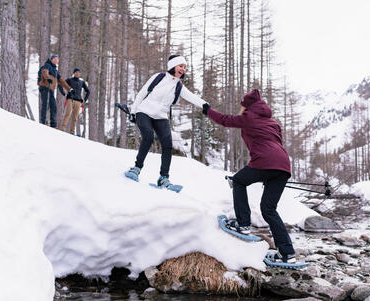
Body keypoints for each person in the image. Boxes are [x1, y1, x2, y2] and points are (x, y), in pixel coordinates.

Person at [202, 89, 296, 264]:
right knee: (269, 210)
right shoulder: (273, 122)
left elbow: (224, 120)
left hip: (265, 161)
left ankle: (243, 224)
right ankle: (287, 253)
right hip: (283, 165)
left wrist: (208, 110)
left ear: (246, 107)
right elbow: (275, 144)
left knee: (238, 180)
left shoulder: (249, 117)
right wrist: (269, 175)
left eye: (242, 106)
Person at [125, 54, 209, 187]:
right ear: (173, 66)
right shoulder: (159, 77)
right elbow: (142, 92)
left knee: (167, 145)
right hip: (144, 111)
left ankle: (163, 178)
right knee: (148, 138)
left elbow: (191, 97)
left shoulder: (179, 86)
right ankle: (136, 168)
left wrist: (204, 104)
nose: (183, 69)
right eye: (181, 66)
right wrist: (133, 111)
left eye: (185, 67)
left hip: (161, 116)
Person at [37, 54, 74, 128]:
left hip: (50, 89)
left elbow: (61, 81)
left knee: (53, 106)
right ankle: (43, 122)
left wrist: (69, 89)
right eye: (55, 59)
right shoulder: (47, 65)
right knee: (45, 104)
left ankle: (53, 124)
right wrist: (48, 78)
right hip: (45, 87)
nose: (57, 60)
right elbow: (44, 72)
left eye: (57, 59)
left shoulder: (55, 70)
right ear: (51, 59)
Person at [59, 68, 90, 135]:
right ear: (74, 73)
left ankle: (72, 132)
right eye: (76, 72)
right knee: (68, 113)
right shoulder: (70, 80)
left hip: (78, 101)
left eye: (79, 72)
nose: (77, 73)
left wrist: (85, 99)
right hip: (70, 99)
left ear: (80, 74)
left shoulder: (82, 82)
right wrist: (63, 93)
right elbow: (60, 84)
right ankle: (63, 129)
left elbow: (88, 91)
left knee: (75, 117)